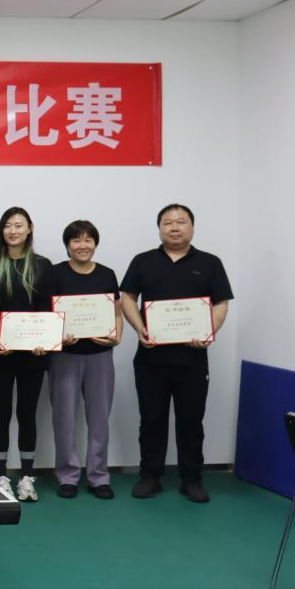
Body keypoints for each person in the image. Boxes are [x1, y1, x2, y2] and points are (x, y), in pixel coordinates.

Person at [120, 204, 233, 503]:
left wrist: (209, 332)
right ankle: (150, 476)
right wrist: (140, 328)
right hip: (151, 359)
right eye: (167, 222)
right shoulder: (143, 261)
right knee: (151, 419)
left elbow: (221, 303)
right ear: (159, 228)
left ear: (192, 227)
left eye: (181, 222)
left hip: (192, 360)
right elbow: (127, 297)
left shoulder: (210, 263)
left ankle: (191, 479)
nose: (174, 227)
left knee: (191, 420)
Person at [0, 206, 53, 502]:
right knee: (1, 412)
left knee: (27, 412)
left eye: (18, 225)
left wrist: (44, 340)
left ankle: (26, 476)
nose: (13, 231)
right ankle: (1, 476)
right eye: (7, 226)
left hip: (34, 355)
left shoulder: (43, 265)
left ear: (30, 228)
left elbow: (48, 309)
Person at [48, 220, 122, 499]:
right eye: (76, 240)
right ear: (67, 245)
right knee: (64, 419)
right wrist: (58, 336)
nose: (82, 245)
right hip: (65, 356)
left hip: (100, 356)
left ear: (95, 244)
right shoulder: (55, 274)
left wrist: (117, 336)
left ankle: (99, 476)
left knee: (100, 419)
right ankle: (67, 475)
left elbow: (116, 312)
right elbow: (47, 314)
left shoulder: (106, 274)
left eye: (88, 240)